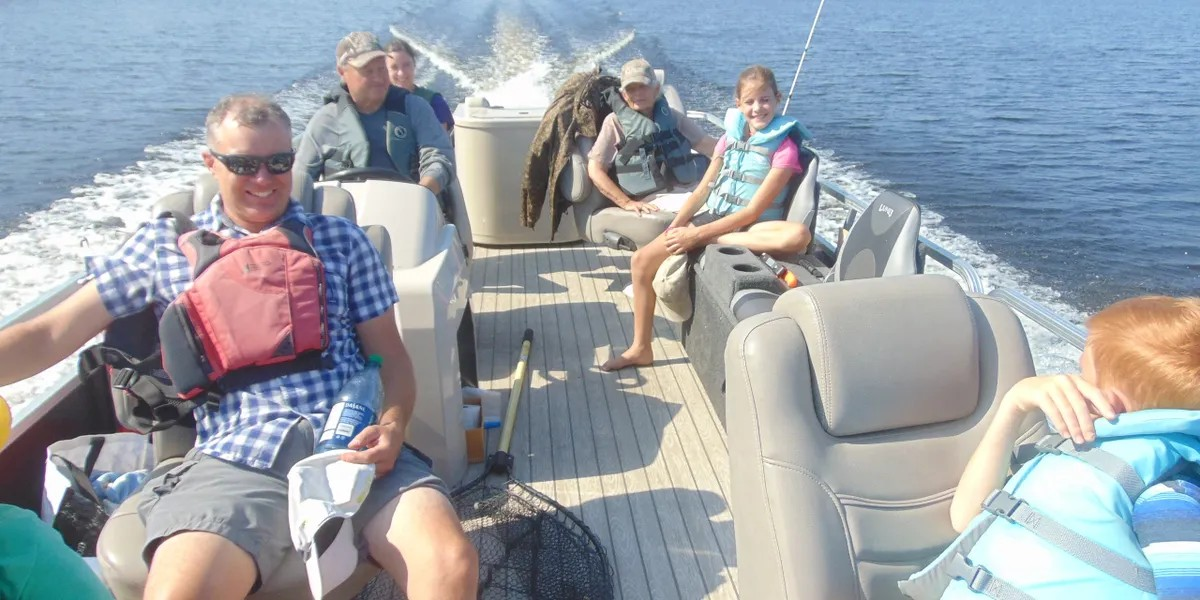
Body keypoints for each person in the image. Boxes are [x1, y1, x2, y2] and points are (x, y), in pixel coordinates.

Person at [0, 94, 477, 599]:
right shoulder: (162, 247)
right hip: (235, 457)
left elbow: (393, 360)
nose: (264, 179)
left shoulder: (342, 240)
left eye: (279, 162)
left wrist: (393, 427)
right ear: (211, 163)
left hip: (349, 449)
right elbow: (50, 332)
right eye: (245, 164)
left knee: (450, 562)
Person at [939, 295, 1200, 597]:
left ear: (1108, 402)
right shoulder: (1095, 456)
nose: (1072, 380)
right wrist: (1014, 404)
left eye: (1083, 374)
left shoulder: (1168, 495)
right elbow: (967, 517)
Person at [601, 65, 813, 371]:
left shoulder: (785, 148)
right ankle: (640, 349)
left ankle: (715, 239)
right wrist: (678, 227)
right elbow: (702, 190)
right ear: (738, 104)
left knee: (799, 236)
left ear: (777, 99)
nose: (758, 108)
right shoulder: (729, 138)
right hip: (716, 216)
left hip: (755, 225)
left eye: (765, 100)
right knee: (640, 261)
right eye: (750, 102)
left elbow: (752, 211)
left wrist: (699, 236)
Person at [295, 32, 454, 195]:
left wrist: (421, 194)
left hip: (409, 205)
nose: (378, 78)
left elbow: (439, 158)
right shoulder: (324, 121)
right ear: (342, 72)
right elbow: (299, 181)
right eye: (368, 71)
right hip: (345, 209)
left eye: (381, 69)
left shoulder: (415, 108)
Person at [587, 58, 717, 215]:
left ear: (656, 89)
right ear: (624, 95)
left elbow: (710, 146)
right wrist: (626, 203)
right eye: (631, 89)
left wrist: (739, 147)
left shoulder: (672, 118)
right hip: (654, 200)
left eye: (643, 87)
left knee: (729, 202)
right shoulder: (615, 122)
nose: (638, 94)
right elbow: (595, 169)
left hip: (688, 191)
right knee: (712, 212)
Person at [384, 38, 455, 133]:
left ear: (414, 65)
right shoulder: (378, 103)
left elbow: (442, 140)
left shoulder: (434, 102)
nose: (401, 73)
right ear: (385, 70)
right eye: (394, 67)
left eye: (406, 65)